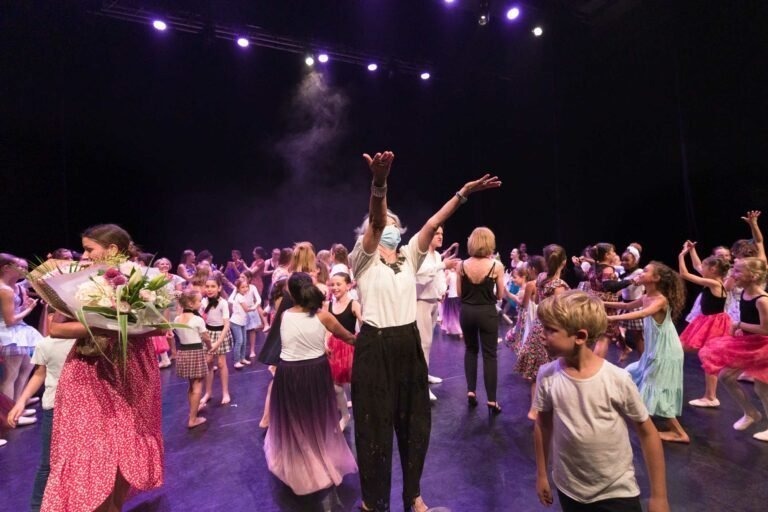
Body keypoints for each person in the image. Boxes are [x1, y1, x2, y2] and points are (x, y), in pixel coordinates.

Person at [350, 149, 500, 512]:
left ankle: (413, 496)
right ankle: (374, 502)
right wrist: (379, 185)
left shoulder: (409, 257)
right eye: (384, 223)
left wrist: (463, 193)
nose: (390, 228)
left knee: (415, 423)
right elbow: (375, 219)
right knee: (374, 427)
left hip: (406, 343)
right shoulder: (363, 258)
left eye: (394, 224)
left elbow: (433, 224)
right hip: (375, 347)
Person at [44, 223, 164, 512]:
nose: (83, 256)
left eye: (89, 249)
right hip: (89, 372)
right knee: (91, 447)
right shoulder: (77, 283)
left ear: (111, 250)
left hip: (131, 369)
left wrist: (124, 325)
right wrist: (100, 324)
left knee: (127, 445)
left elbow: (158, 325)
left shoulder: (143, 281)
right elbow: (54, 329)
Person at [533, 290, 669, 512]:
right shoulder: (546, 375)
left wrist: (659, 496)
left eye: (551, 330)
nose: (542, 335)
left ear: (580, 337)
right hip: (569, 489)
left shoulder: (617, 379)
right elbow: (543, 424)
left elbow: (648, 432)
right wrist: (541, 474)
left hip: (616, 491)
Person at [263, 272, 357, 498]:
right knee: (316, 416)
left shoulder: (285, 314)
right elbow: (348, 337)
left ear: (292, 294)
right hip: (315, 372)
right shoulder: (323, 316)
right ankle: (317, 460)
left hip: (289, 373)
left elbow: (291, 340)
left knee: (295, 418)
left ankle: (300, 463)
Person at [605, 261, 688, 443]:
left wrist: (611, 317)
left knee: (655, 386)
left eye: (646, 271)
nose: (641, 272)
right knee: (632, 375)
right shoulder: (646, 296)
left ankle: (679, 433)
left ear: (656, 278)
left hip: (665, 351)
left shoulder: (660, 300)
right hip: (655, 349)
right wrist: (599, 301)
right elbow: (627, 306)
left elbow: (642, 314)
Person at [699, 257, 768, 441]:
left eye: (738, 271)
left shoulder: (762, 300)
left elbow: (766, 329)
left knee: (762, 388)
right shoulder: (745, 293)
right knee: (725, 377)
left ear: (753, 276)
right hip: (749, 343)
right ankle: (751, 412)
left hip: (762, 346)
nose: (733, 274)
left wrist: (739, 324)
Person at [8, 332, 75, 512]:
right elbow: (39, 374)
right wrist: (21, 401)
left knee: (78, 460)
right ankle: (37, 507)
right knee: (47, 462)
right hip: (53, 407)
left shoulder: (85, 342)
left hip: (81, 409)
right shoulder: (46, 344)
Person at [515, 245, 569, 420]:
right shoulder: (559, 286)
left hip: (538, 327)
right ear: (564, 263)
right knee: (554, 370)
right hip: (552, 329)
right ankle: (548, 409)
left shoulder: (540, 278)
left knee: (537, 373)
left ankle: (535, 409)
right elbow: (560, 312)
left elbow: (538, 301)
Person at [457, 227, 506, 414]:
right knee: (490, 355)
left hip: (467, 312)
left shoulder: (461, 265)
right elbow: (500, 295)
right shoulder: (496, 266)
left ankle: (471, 391)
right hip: (487, 312)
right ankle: (492, 401)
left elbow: (460, 293)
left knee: (470, 350)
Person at [678, 243, 731, 407]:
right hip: (709, 320)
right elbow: (697, 265)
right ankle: (710, 396)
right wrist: (693, 250)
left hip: (713, 323)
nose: (702, 268)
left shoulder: (714, 284)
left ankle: (711, 397)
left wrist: (681, 256)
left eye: (706, 266)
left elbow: (685, 274)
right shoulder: (716, 281)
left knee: (709, 357)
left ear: (713, 269)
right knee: (685, 348)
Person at [416, 225, 457, 401]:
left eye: (442, 233)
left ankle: (424, 375)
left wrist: (441, 292)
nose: (440, 236)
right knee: (423, 344)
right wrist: (442, 265)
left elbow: (438, 278)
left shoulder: (436, 255)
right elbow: (420, 276)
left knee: (428, 343)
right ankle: (421, 385)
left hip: (432, 302)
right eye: (437, 234)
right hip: (421, 303)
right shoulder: (422, 254)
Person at [1, 253, 42, 426]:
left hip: (19, 331)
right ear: (6, 268)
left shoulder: (12, 287)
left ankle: (18, 407)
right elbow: (10, 320)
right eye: (18, 267)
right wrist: (29, 308)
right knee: (11, 374)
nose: (22, 270)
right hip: (8, 332)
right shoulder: (5, 290)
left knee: (26, 368)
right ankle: (9, 416)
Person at [327, 272, 362, 431]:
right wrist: (324, 343)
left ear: (348, 285)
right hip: (333, 348)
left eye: (338, 284)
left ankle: (362, 415)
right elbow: (325, 328)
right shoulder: (327, 305)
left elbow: (363, 324)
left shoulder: (353, 304)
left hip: (350, 346)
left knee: (356, 383)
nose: (334, 287)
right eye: (332, 284)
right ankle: (345, 416)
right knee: (336, 386)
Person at [173, 289, 212, 429]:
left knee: (191, 385)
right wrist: (210, 347)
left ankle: (192, 412)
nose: (201, 303)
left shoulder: (177, 318)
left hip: (183, 352)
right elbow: (206, 337)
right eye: (199, 301)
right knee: (197, 386)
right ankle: (193, 419)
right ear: (190, 303)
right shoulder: (197, 319)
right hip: (195, 352)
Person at [201, 277, 232, 406]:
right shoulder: (202, 302)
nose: (209, 289)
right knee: (208, 363)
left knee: (221, 363)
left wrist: (218, 342)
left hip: (221, 334)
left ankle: (225, 392)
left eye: (213, 286)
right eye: (207, 286)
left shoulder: (223, 303)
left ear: (219, 288)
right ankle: (208, 392)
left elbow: (226, 325)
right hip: (208, 333)